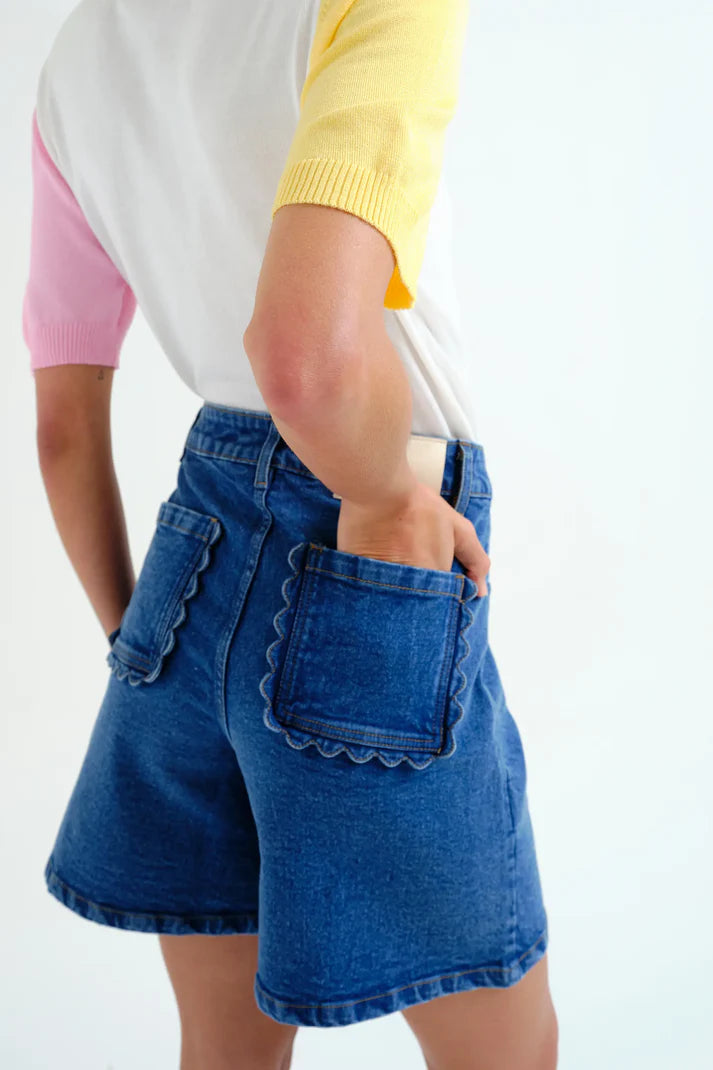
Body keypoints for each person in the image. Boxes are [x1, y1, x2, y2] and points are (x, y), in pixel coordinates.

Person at [22, 1, 558, 1067]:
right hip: (371, 516)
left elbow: (60, 431)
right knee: (503, 1044)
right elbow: (305, 359)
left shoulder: (83, 51)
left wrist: (145, 642)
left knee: (224, 1047)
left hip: (190, 556)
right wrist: (387, 494)